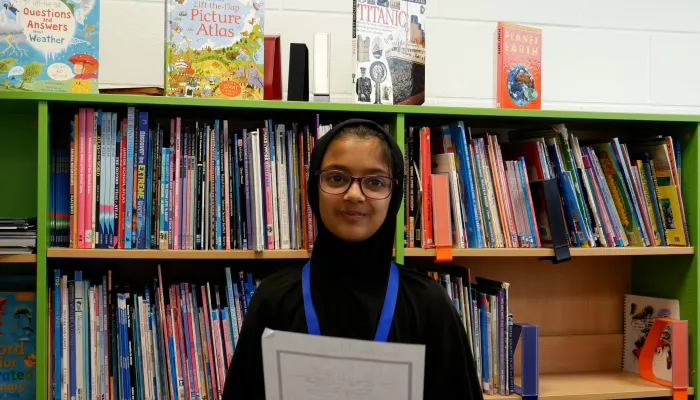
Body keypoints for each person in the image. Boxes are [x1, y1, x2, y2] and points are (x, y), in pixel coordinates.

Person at [221, 119, 483, 400]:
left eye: (374, 182)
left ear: (393, 196)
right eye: (336, 178)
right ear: (314, 188)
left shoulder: (429, 305)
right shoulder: (275, 299)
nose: (354, 194)